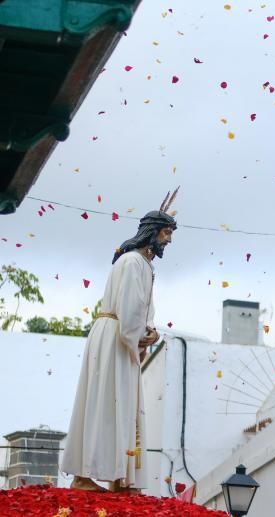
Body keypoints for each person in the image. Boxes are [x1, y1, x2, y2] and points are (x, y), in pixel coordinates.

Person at [62, 190, 178, 492]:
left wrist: (146, 331)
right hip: (115, 337)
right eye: (166, 232)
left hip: (121, 337)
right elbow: (128, 310)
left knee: (122, 405)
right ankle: (84, 475)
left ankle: (120, 477)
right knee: (105, 403)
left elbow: (138, 310)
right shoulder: (131, 263)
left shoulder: (143, 265)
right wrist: (141, 335)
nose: (169, 240)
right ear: (152, 232)